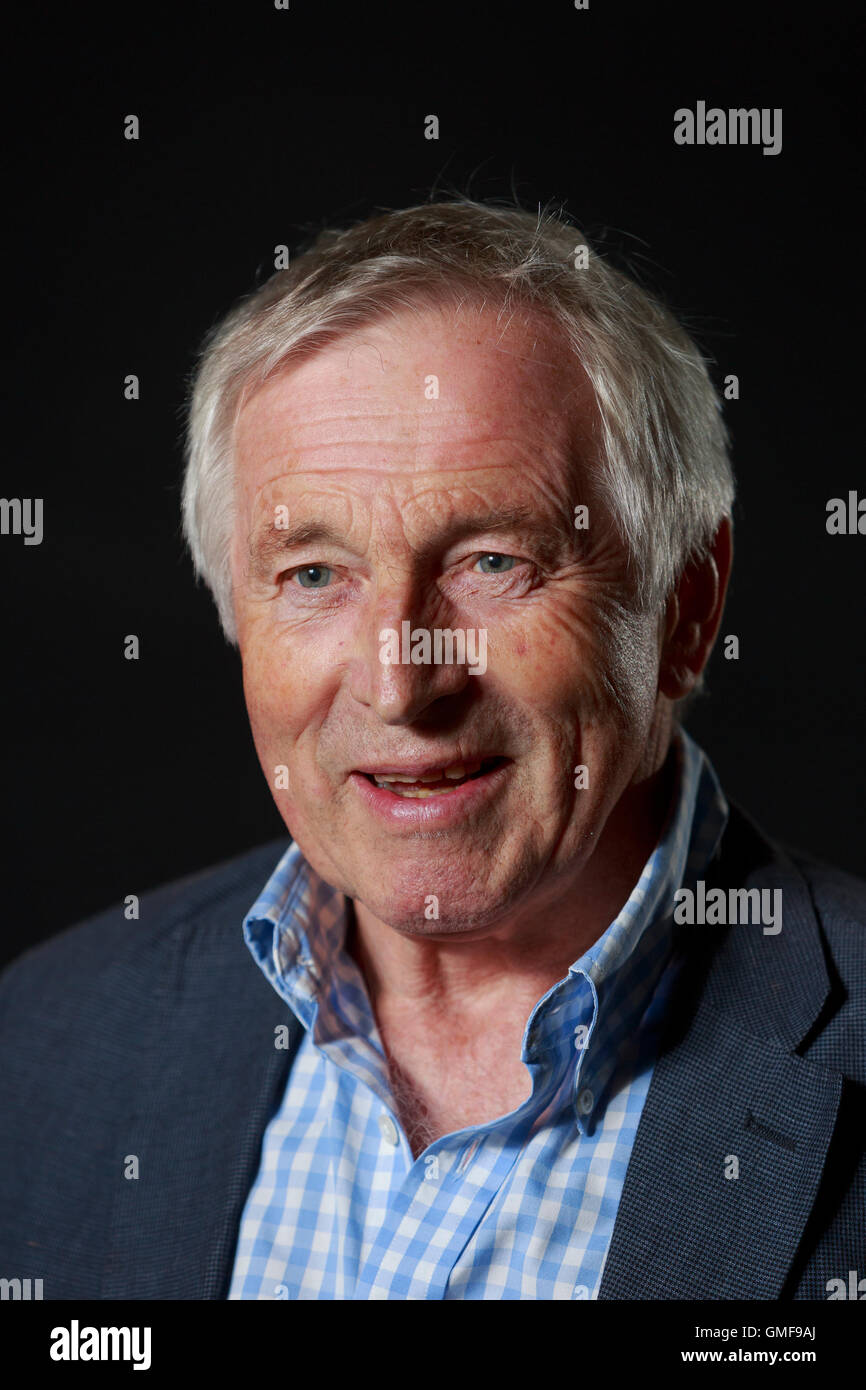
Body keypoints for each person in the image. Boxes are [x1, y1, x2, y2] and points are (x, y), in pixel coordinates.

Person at [1, 199, 863, 1301]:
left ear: (684, 608)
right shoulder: (44, 1043)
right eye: (313, 574)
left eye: (493, 560)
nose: (401, 683)